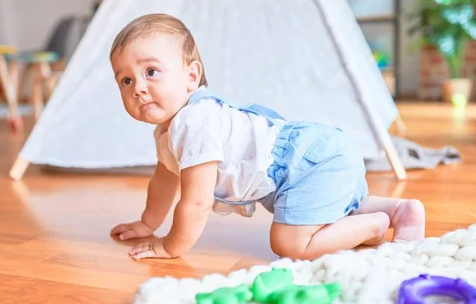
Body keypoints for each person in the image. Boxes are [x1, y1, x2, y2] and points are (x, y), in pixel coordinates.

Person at [109, 13, 425, 261]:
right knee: (323, 210)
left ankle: (376, 223)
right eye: (125, 80)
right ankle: (400, 211)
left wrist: (170, 246)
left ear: (192, 76)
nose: (137, 87)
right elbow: (164, 181)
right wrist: (148, 224)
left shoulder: (194, 123)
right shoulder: (171, 129)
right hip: (316, 157)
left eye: (151, 72)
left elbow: (196, 200)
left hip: (307, 164)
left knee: (289, 244)